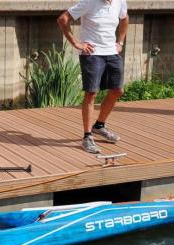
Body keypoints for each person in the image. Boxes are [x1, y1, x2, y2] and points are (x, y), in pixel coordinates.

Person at [57, 0, 129, 154]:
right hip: (92, 54)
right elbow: (63, 19)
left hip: (112, 52)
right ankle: (87, 137)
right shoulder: (88, 2)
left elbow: (125, 18)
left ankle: (99, 126)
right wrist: (76, 43)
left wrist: (120, 42)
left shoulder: (120, 2)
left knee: (117, 90)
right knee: (91, 93)